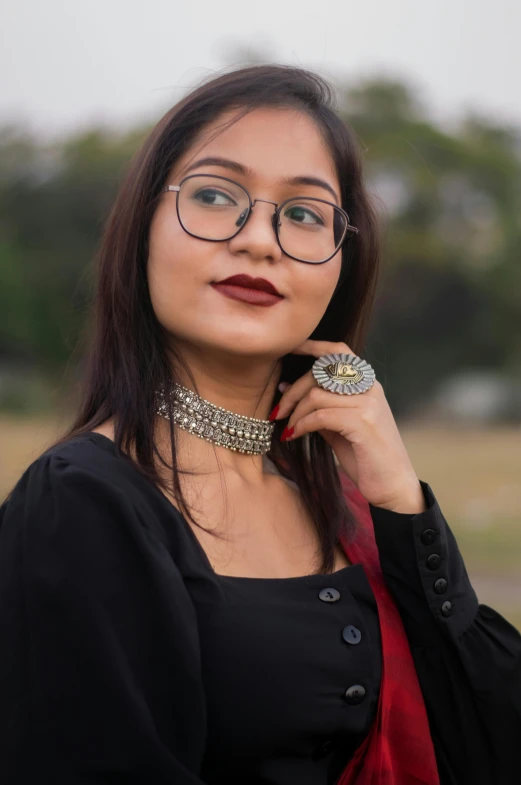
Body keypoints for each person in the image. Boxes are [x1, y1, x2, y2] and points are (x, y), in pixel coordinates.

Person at [0, 63, 520, 785]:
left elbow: (492, 741)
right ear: (142, 228)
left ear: (342, 263)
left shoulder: (347, 511)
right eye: (215, 196)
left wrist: (401, 502)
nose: (259, 239)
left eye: (304, 213)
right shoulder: (79, 505)